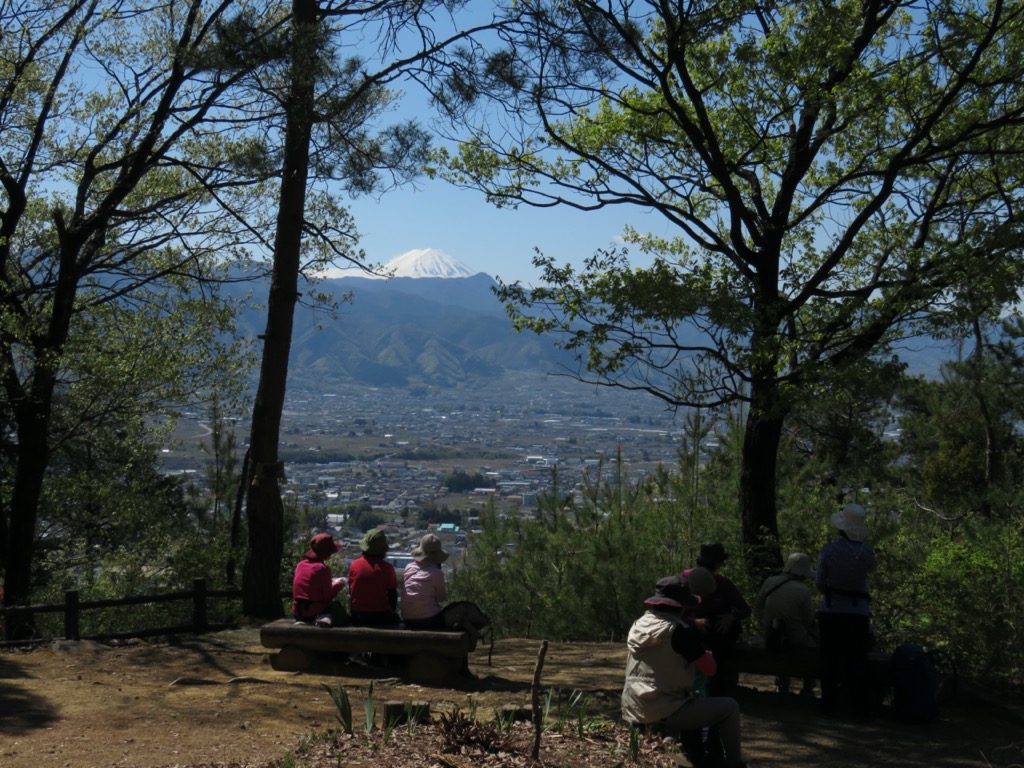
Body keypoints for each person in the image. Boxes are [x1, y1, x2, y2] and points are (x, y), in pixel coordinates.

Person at [621, 575, 747, 768]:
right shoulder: (678, 631)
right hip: (666, 709)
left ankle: (672, 740)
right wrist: (706, 653)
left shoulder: (639, 624)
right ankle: (735, 764)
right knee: (729, 707)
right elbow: (710, 669)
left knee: (684, 698)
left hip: (634, 708)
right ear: (682, 606)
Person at [816, 503, 875, 719]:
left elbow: (820, 583)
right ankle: (857, 706)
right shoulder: (868, 551)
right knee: (857, 659)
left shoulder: (828, 550)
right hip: (858, 612)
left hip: (831, 610)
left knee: (828, 658)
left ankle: (828, 704)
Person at [681, 542, 752, 696]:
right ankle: (708, 692)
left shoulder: (724, 584)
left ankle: (710, 692)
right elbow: (676, 614)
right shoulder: (686, 581)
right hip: (695, 630)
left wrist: (730, 618)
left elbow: (745, 609)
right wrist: (695, 622)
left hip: (718, 628)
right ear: (718, 563)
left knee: (719, 649)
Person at [753, 551, 818, 695]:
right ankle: (808, 687)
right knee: (812, 648)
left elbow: (757, 606)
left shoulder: (770, 582)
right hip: (795, 637)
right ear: (803, 573)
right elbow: (808, 620)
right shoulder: (803, 590)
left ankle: (782, 683)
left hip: (771, 635)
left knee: (780, 643)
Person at [291, 532, 348, 627]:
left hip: (297, 612)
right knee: (338, 610)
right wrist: (339, 585)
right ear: (327, 553)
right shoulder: (323, 569)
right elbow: (328, 597)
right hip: (313, 614)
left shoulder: (300, 565)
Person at [348, 528, 400, 626]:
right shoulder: (387, 568)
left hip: (357, 615)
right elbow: (392, 595)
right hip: (380, 616)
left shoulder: (354, 565)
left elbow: (351, 591)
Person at [401, 534, 450, 630]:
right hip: (429, 619)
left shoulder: (408, 568)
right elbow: (441, 598)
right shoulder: (437, 573)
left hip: (407, 618)